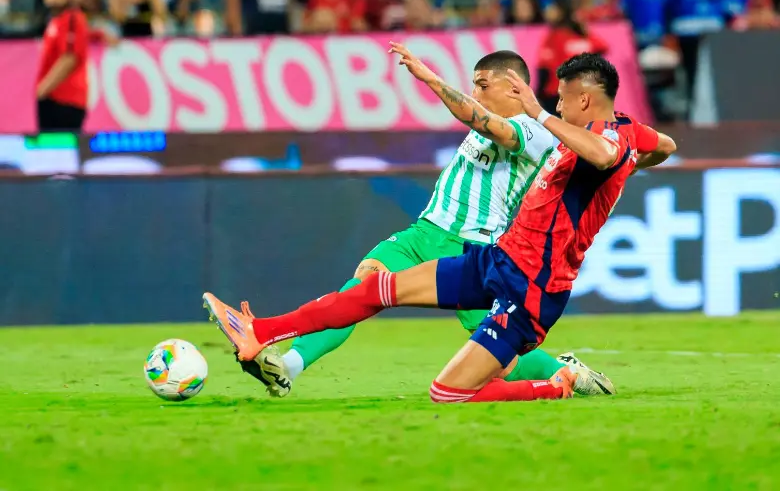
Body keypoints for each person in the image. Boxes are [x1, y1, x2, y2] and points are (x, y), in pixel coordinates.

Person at [203, 50, 677, 403]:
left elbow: (600, 151)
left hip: (496, 258)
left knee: (469, 377)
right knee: (368, 285)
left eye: (481, 84)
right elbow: (661, 145)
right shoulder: (593, 131)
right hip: (458, 244)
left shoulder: (538, 131)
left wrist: (433, 80)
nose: (475, 95)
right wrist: (641, 158)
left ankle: (559, 378)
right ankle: (268, 340)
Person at [36, 0, 89, 133]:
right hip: (53, 97)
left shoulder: (72, 17)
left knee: (60, 149)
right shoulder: (54, 20)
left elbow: (69, 58)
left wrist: (42, 89)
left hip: (65, 98)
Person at [536, 0, 609, 114]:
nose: (547, 12)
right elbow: (602, 47)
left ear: (561, 12)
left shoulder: (554, 36)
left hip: (556, 93)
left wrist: (539, 93)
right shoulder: (582, 38)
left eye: (552, 9)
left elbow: (545, 67)